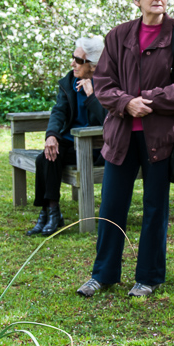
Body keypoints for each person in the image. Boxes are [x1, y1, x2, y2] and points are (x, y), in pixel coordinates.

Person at [76, 0, 174, 298]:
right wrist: (126, 103)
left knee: (155, 207)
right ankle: (103, 274)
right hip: (121, 134)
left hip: (160, 136)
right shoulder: (117, 36)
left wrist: (149, 99)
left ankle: (148, 277)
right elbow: (103, 84)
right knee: (112, 205)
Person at [26, 37, 108, 236]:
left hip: (95, 148)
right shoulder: (70, 81)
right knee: (46, 155)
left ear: (94, 65)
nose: (73, 63)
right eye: (73, 58)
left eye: (78, 60)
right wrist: (51, 135)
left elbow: (109, 120)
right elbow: (58, 111)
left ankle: (50, 214)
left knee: (47, 158)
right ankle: (50, 211)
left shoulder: (108, 83)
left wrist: (92, 95)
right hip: (71, 144)